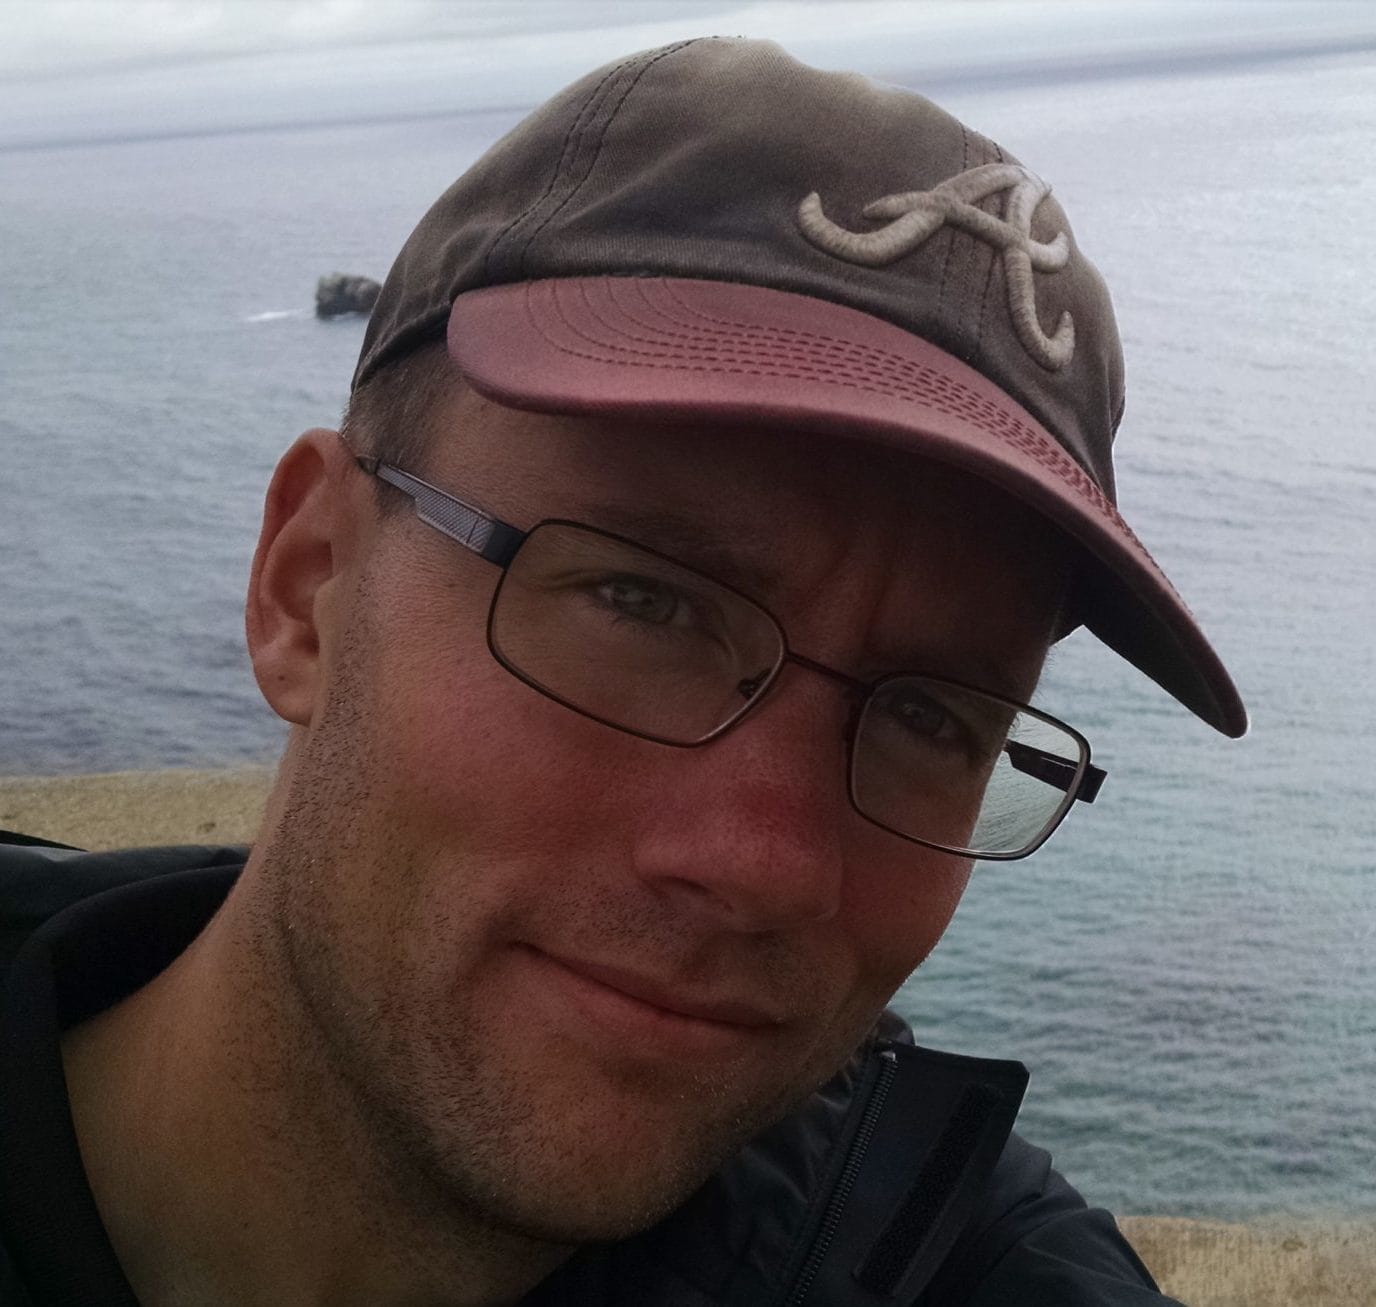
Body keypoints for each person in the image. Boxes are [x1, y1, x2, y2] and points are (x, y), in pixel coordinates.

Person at [0, 37, 1246, 1307]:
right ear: (304, 586)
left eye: (932, 713)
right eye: (641, 602)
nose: (765, 864)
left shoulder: (956, 1257)